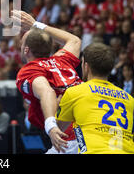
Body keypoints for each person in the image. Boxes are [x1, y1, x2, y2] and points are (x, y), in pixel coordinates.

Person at [13, 10, 82, 154]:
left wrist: (51, 126)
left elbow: (47, 91)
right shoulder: (62, 60)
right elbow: (74, 40)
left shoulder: (28, 70)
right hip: (89, 127)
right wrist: (36, 25)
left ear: (26, 50)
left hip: (71, 138)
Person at [56, 43, 134, 154]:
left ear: (86, 66)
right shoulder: (129, 99)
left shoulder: (74, 92)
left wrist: (55, 107)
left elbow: (58, 130)